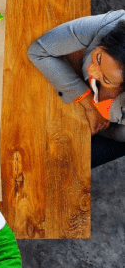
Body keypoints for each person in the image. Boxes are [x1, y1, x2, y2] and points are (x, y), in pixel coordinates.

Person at [28, 12, 125, 168]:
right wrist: (88, 103)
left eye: (106, 79)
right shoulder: (111, 24)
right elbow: (38, 51)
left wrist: (105, 129)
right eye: (98, 58)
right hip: (98, 117)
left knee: (64, 166)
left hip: (119, 134)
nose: (92, 71)